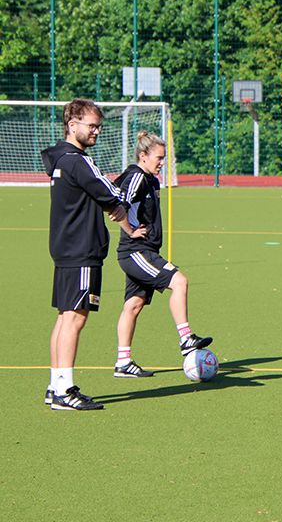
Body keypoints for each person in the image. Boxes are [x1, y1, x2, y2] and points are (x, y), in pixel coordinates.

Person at [43, 98, 145, 410]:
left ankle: (55, 385)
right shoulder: (78, 161)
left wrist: (125, 226)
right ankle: (64, 389)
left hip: (65, 249)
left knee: (65, 317)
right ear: (72, 126)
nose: (97, 131)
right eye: (91, 126)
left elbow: (103, 202)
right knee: (75, 318)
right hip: (82, 250)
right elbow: (113, 195)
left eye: (99, 126)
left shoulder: (60, 160)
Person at [112, 131, 213, 378]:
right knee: (180, 281)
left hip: (146, 250)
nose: (162, 163)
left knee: (133, 305)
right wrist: (131, 230)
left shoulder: (152, 180)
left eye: (164, 158)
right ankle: (186, 337)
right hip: (135, 251)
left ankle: (123, 362)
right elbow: (116, 206)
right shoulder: (136, 177)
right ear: (143, 156)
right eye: (158, 158)